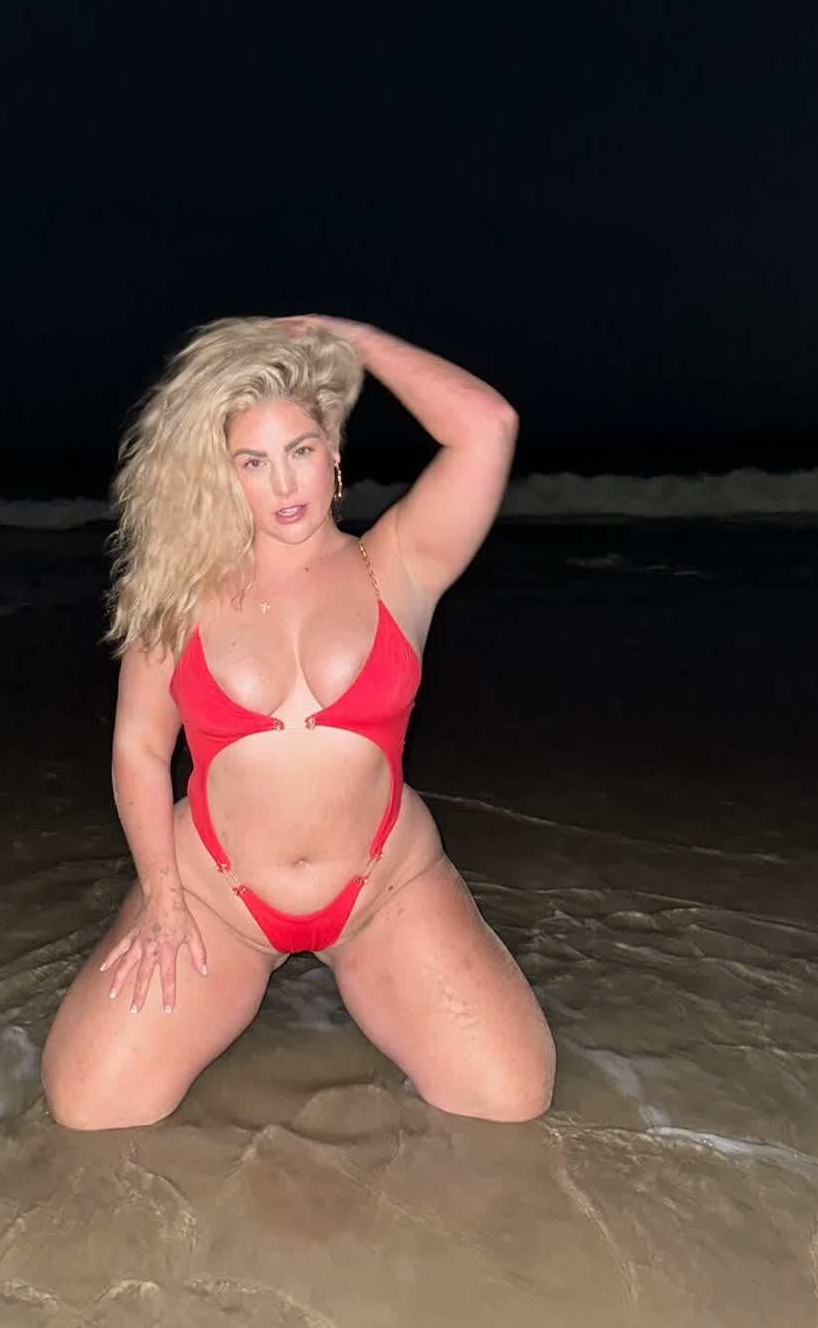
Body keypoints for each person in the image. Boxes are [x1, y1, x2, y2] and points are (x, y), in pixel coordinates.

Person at [41, 314, 557, 1130]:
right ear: (221, 476)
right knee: (90, 1109)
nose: (284, 485)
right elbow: (138, 747)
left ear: (334, 453)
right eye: (252, 461)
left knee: (509, 1099)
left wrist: (343, 337)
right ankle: (201, 951)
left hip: (381, 884)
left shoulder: (400, 562)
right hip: (216, 892)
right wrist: (165, 901)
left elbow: (486, 426)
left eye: (300, 450)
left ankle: (368, 965)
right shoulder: (178, 592)